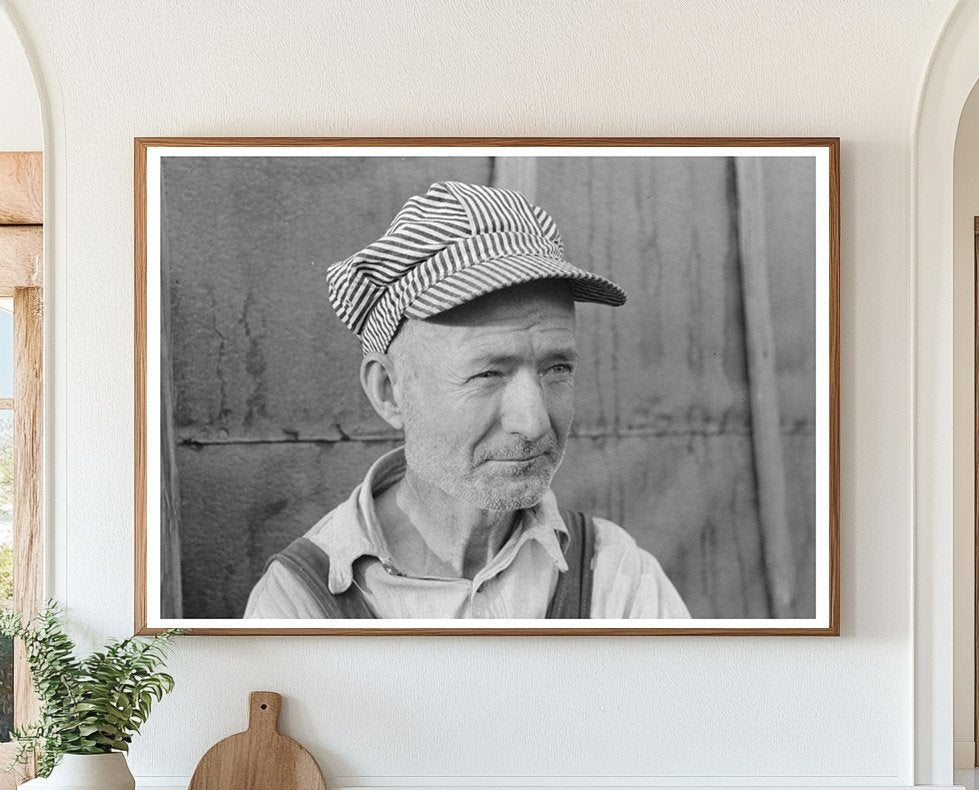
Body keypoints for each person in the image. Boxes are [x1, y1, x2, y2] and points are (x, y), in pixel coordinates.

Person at [244, 180, 689, 620]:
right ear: (389, 391)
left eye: (557, 369)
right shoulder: (297, 606)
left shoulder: (617, 578)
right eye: (488, 374)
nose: (534, 422)